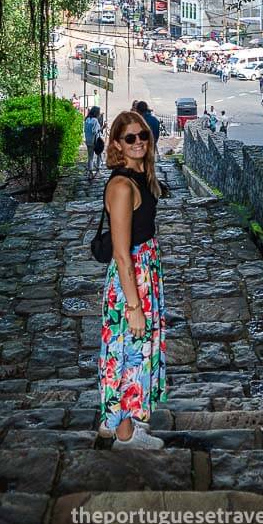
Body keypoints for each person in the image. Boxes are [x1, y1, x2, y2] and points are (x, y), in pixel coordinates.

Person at [97, 111, 168, 449]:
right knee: (126, 352)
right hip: (133, 279)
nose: (139, 141)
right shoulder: (123, 186)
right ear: (116, 144)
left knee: (133, 351)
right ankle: (123, 435)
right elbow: (122, 254)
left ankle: (124, 425)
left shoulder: (142, 175)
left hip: (145, 273)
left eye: (143, 135)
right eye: (130, 138)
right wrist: (134, 305)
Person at [84, 106, 105, 179]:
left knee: (90, 157)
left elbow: (85, 130)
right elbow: (95, 131)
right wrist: (103, 127)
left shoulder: (86, 120)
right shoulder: (95, 120)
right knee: (99, 155)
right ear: (96, 113)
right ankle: (98, 171)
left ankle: (90, 173)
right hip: (95, 141)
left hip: (88, 141)